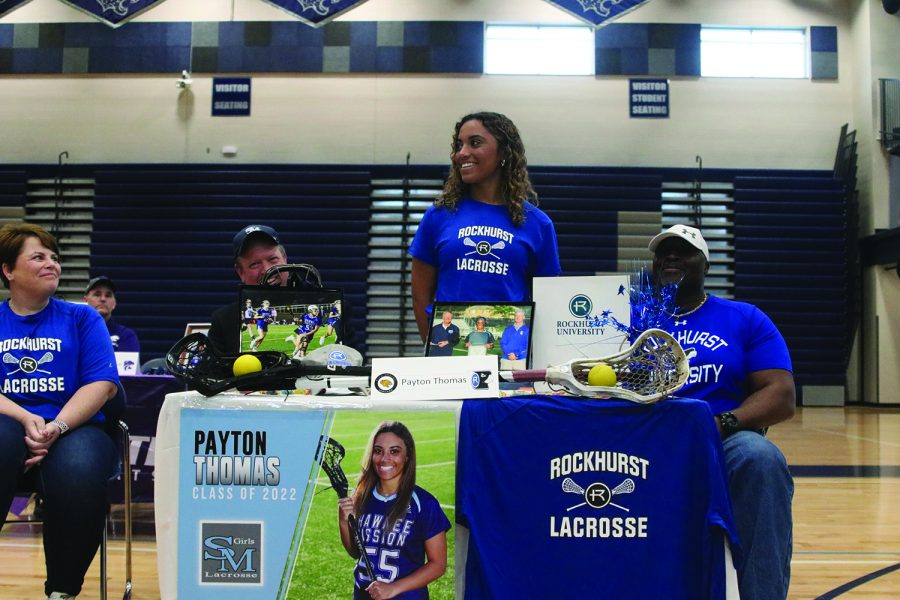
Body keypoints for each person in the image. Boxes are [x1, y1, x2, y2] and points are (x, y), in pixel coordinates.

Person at [648, 224, 795, 600]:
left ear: (705, 264)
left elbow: (780, 394)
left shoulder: (744, 319)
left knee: (760, 457)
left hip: (720, 442)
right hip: (645, 442)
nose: (671, 258)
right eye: (663, 253)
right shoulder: (632, 320)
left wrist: (720, 424)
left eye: (684, 251)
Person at [0, 223, 121, 600]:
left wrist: (57, 425)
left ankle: (62, 590)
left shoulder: (83, 317)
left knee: (78, 467)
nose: (52, 263)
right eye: (38, 257)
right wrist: (24, 419)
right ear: (8, 270)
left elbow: (102, 384)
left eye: (55, 257)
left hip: (76, 426)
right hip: (8, 422)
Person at [408, 111, 561, 342]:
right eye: (459, 145)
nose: (462, 153)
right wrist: (434, 350)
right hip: (449, 355)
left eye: (475, 143)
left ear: (503, 152)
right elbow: (421, 296)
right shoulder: (438, 216)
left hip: (510, 358)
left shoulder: (538, 224)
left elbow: (548, 303)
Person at [337, 421, 450, 600]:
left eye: (394, 451)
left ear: (407, 456)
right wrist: (343, 521)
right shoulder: (361, 497)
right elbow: (356, 552)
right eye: (378, 450)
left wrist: (394, 588)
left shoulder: (424, 503)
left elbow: (438, 564)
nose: (385, 459)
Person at [207, 224, 358, 356]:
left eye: (273, 260)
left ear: (285, 258)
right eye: (254, 264)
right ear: (240, 272)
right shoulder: (224, 321)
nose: (267, 270)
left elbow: (352, 370)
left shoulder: (337, 306)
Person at [83, 275, 140, 354]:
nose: (103, 299)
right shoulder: (74, 332)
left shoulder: (126, 336)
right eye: (97, 294)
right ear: (86, 301)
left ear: (114, 304)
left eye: (108, 295)